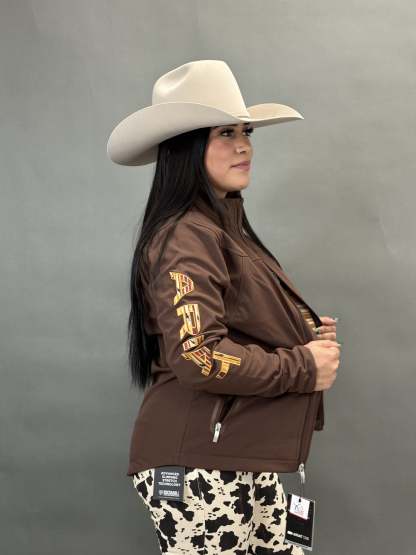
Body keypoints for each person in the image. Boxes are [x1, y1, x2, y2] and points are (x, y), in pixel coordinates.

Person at [107, 60, 340, 554]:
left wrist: (304, 335)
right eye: (225, 134)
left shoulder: (222, 231)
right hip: (197, 464)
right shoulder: (186, 237)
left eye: (246, 132)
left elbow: (235, 326)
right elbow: (199, 356)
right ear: (186, 148)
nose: (244, 146)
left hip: (235, 456)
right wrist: (303, 365)